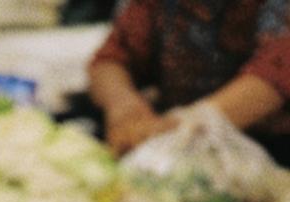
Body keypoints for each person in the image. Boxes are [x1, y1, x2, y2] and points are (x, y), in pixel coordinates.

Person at [89, 0, 290, 157]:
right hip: (178, 153)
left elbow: (278, 68)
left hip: (272, 152)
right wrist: (123, 105)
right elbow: (112, 59)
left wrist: (191, 123)